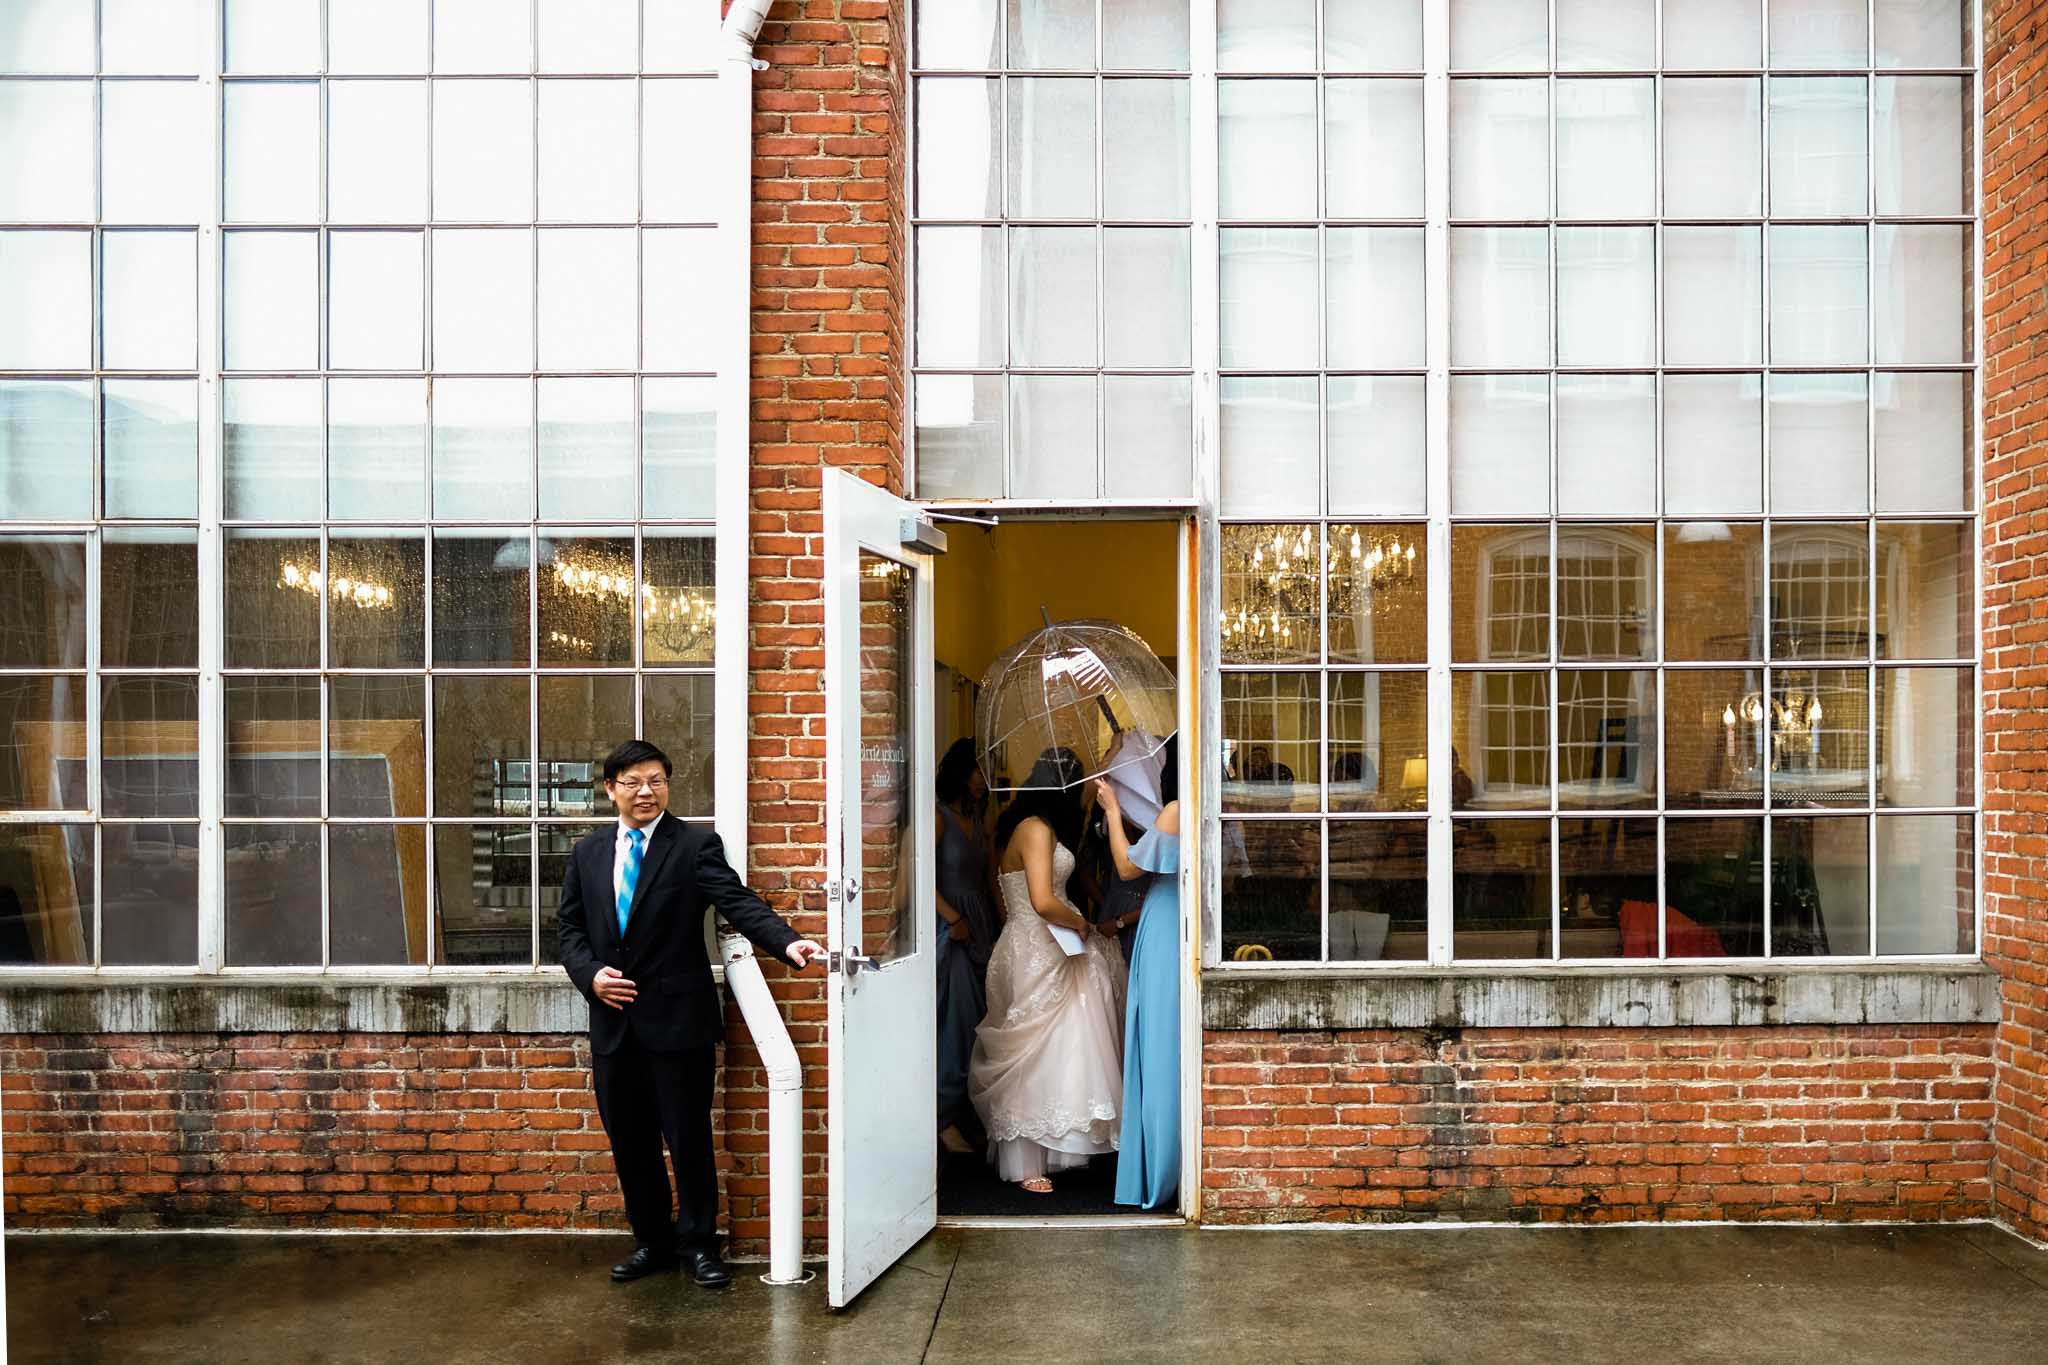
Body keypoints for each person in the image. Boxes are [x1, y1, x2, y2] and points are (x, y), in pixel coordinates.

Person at [557, 739, 826, 1288]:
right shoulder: (587, 854)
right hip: (614, 1026)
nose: (645, 791)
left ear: (668, 785)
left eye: (655, 780)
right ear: (611, 789)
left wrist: (788, 943)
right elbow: (570, 930)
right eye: (632, 781)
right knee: (630, 1143)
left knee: (688, 1140)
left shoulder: (695, 846)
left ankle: (701, 1245)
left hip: (679, 1023)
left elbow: (739, 901)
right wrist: (591, 977)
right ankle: (651, 1242)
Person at [968, 747, 1126, 1193]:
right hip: (1040, 943)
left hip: (1042, 943)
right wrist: (1082, 922)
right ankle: (1025, 1161)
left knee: (1064, 1046)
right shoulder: (1034, 829)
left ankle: (1060, 1139)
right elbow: (1041, 900)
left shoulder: (1038, 828)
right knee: (1034, 1052)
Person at [1097, 734, 1181, 1211]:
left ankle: (1159, 1166)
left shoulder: (1174, 810)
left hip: (1165, 921)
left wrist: (1111, 809)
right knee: (1171, 1040)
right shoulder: (1210, 806)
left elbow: (1128, 870)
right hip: (1186, 919)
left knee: (1157, 1042)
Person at [934, 738, 999, 1157]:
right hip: (951, 928)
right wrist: (952, 919)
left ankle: (964, 1114)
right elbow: (919, 877)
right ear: (959, 772)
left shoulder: (977, 818)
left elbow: (990, 879)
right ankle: (941, 1119)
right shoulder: (938, 818)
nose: (983, 779)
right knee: (955, 1025)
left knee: (980, 1021)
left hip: (980, 928)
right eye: (977, 770)